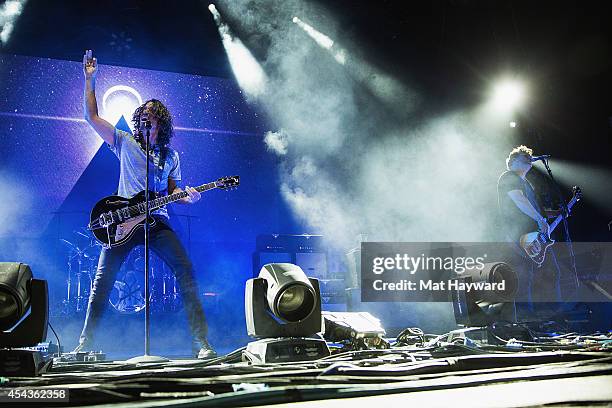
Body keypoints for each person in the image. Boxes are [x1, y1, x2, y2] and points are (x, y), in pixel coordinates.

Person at [74, 50, 216, 358]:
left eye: (151, 114)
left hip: (156, 219)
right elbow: (91, 117)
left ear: (160, 122)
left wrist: (190, 196)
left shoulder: (172, 156)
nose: (145, 116)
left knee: (185, 269)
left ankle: (201, 344)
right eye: (143, 114)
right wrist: (90, 80)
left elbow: (175, 191)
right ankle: (86, 345)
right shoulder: (124, 141)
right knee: (102, 282)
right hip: (123, 219)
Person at [497, 145, 562, 317]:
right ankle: (527, 324)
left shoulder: (527, 184)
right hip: (520, 236)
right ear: (512, 162)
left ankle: (548, 319)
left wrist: (554, 214)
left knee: (549, 273)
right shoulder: (508, 177)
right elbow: (518, 200)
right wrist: (541, 220)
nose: (528, 158)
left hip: (535, 237)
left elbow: (534, 208)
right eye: (523, 156)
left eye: (529, 157)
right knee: (524, 279)